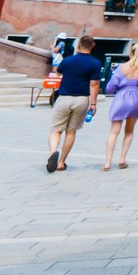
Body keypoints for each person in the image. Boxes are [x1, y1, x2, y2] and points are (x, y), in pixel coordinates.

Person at [46, 36, 102, 173]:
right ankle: (61, 163)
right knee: (71, 132)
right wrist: (93, 104)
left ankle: (53, 151)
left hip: (64, 97)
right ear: (93, 45)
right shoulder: (95, 63)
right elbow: (94, 85)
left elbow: (58, 73)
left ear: (78, 46)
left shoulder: (68, 60)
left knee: (56, 130)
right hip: (82, 99)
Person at [101, 42, 138, 171]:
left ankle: (108, 162)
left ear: (130, 52)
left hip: (121, 98)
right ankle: (122, 159)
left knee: (114, 132)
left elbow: (110, 88)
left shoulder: (121, 67)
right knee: (129, 131)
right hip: (136, 98)